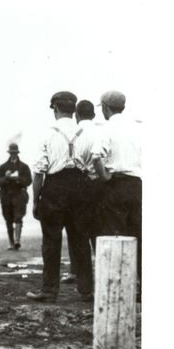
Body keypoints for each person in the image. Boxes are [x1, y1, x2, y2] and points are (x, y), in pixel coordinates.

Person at [27, 91, 93, 303]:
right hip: (80, 187)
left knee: (51, 241)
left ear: (55, 108)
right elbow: (92, 168)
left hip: (54, 188)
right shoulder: (86, 132)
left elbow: (39, 172)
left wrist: (36, 200)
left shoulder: (47, 133)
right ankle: (86, 290)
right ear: (73, 109)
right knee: (80, 240)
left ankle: (49, 291)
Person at [91, 90, 142, 301]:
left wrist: (104, 177)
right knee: (140, 235)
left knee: (115, 235)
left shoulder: (107, 127)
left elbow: (96, 156)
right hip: (138, 185)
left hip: (117, 184)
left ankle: (120, 288)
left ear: (105, 107)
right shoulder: (138, 127)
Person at [61, 100, 104, 284]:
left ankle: (75, 271)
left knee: (76, 230)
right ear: (94, 115)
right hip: (102, 184)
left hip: (80, 183)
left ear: (77, 116)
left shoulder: (74, 133)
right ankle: (103, 272)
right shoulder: (103, 130)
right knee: (100, 229)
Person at [0, 143, 32, 250]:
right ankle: (11, 242)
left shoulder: (24, 167)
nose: (13, 155)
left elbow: (29, 181)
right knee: (8, 219)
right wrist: (6, 178)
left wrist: (18, 179)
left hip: (19, 196)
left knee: (18, 217)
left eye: (15, 153)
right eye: (11, 153)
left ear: (17, 153)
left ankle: (17, 241)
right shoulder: (3, 167)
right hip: (6, 197)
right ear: (9, 153)